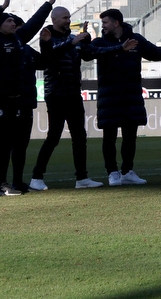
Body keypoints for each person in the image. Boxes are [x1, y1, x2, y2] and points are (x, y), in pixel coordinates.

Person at [31, 10, 135, 191]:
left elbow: (94, 52)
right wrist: (73, 42)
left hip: (73, 94)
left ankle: (82, 178)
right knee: (53, 137)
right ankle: (36, 177)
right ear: (54, 19)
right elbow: (48, 57)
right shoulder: (47, 37)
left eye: (69, 18)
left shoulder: (75, 40)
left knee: (79, 137)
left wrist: (119, 48)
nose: (68, 20)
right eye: (65, 18)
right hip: (55, 95)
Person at [90, 8, 161, 186]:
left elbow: (155, 53)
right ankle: (112, 173)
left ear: (116, 23)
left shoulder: (136, 40)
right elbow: (88, 54)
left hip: (131, 94)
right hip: (109, 95)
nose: (102, 26)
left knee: (130, 136)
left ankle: (127, 171)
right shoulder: (100, 42)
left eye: (105, 22)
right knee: (109, 136)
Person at [0, 0, 55, 196]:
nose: (14, 24)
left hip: (20, 101)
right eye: (9, 21)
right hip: (3, 102)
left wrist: (48, 5)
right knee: (4, 145)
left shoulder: (19, 40)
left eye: (15, 22)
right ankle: (2, 183)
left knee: (20, 145)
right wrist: (3, 7)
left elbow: (33, 23)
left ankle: (17, 182)